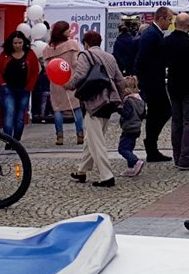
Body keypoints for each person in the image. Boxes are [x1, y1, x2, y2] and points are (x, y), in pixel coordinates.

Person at [67, 30, 126, 188]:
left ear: (86, 44)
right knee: (91, 138)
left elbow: (80, 75)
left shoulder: (85, 55)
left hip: (94, 102)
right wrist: (121, 100)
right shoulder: (110, 57)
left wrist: (68, 85)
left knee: (96, 142)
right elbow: (120, 80)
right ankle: (82, 170)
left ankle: (107, 176)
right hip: (109, 102)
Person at [162, 12, 189, 170]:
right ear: (188, 25)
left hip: (174, 86)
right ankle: (186, 157)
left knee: (176, 121)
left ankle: (177, 155)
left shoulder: (166, 42)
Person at [134, 6, 173, 162]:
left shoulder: (155, 33)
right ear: (161, 18)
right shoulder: (151, 34)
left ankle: (151, 146)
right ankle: (150, 144)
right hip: (152, 81)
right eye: (169, 19)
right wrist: (141, 79)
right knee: (163, 111)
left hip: (154, 80)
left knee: (158, 112)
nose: (170, 23)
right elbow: (142, 58)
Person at [43, 21, 85, 146]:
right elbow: (75, 63)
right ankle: (80, 134)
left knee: (57, 108)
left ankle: (59, 136)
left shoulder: (48, 49)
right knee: (76, 107)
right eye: (68, 29)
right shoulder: (72, 44)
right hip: (71, 78)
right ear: (62, 32)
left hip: (56, 81)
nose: (70, 31)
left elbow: (47, 67)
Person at [0, 31, 40, 141]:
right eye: (15, 43)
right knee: (9, 113)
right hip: (8, 88)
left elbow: (35, 71)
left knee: (20, 116)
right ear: (11, 43)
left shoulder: (30, 54)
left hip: (24, 89)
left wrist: (30, 87)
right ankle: (8, 140)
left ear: (24, 42)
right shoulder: (5, 54)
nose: (18, 45)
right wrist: (2, 83)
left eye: (20, 43)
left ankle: (16, 140)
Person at [118, 75, 146, 177]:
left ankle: (135, 161)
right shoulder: (140, 100)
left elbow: (127, 114)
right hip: (136, 128)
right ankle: (131, 168)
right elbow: (143, 114)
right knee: (129, 148)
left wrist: (119, 109)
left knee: (122, 149)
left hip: (128, 128)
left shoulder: (128, 100)